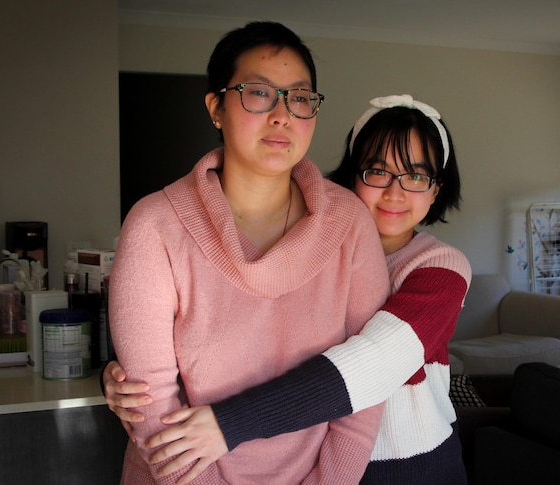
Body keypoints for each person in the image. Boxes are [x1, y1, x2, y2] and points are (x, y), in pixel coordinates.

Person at [106, 94, 471, 484]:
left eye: (417, 176)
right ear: (352, 177)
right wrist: (129, 378)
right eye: (377, 171)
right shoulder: (312, 246)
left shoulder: (442, 267)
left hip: (411, 465)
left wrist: (228, 425)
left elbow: (371, 365)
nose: (395, 193)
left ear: (437, 189)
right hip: (318, 462)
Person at [108, 21, 391, 484]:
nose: (282, 115)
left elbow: (365, 383)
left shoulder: (349, 223)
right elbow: (151, 406)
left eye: (299, 97)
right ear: (216, 107)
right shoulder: (155, 225)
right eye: (258, 93)